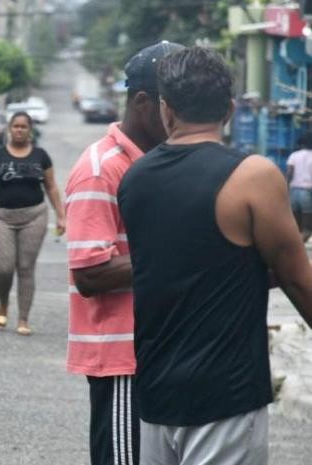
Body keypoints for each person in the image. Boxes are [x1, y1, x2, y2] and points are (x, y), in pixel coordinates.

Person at [118, 47, 312, 465]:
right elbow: (296, 278)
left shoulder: (135, 179)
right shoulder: (253, 177)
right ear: (229, 109)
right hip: (225, 396)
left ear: (167, 110)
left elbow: (190, 262)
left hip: (155, 395)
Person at [65, 41, 184, 465]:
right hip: (122, 360)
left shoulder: (166, 161)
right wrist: (185, 256)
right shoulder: (102, 168)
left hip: (163, 350)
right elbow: (90, 273)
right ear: (142, 102)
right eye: (175, 104)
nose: (181, 117)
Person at [0, 111, 65, 336]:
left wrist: (61, 215)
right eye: (16, 126)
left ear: (30, 130)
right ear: (9, 128)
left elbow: (51, 187)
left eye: (24, 127)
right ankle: (3, 303)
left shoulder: (41, 156)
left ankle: (23, 318)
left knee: (25, 267)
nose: (19, 130)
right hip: (4, 217)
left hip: (34, 216)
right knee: (5, 267)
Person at [286, 132, 312, 241]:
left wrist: (285, 189)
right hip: (307, 192)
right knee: (307, 228)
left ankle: (295, 244)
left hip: (294, 192)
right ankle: (301, 247)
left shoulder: (294, 155)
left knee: (296, 227)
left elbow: (289, 174)